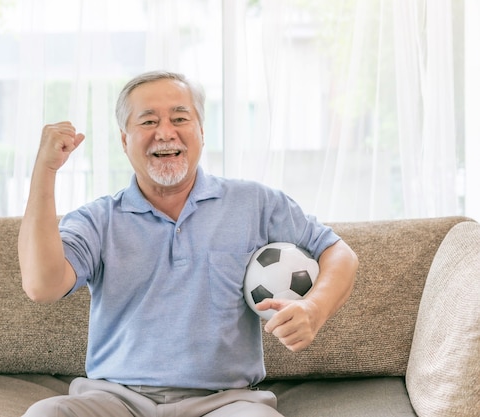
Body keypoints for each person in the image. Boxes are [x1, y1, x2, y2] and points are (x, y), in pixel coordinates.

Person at [18, 70, 359, 417]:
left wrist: (314, 309)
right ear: (124, 141)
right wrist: (45, 170)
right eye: (148, 121)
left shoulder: (255, 203)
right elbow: (41, 286)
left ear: (201, 132)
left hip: (224, 402)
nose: (165, 133)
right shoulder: (98, 219)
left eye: (180, 118)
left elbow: (339, 253)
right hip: (115, 400)